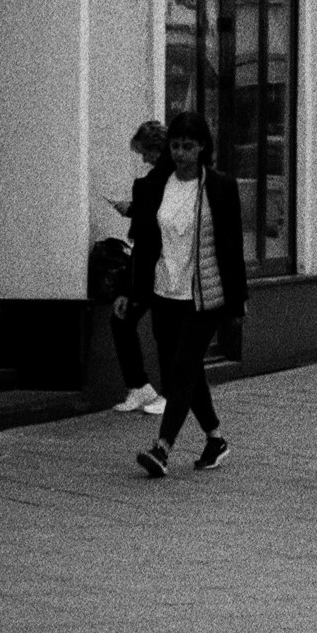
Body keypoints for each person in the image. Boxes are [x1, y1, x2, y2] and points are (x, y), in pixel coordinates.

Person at [132, 111, 246, 479]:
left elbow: (232, 245)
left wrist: (237, 300)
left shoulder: (219, 186)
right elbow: (145, 242)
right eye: (176, 146)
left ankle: (163, 448)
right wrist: (131, 292)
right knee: (182, 370)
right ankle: (215, 438)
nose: (181, 153)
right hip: (165, 289)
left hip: (204, 292)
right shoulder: (155, 185)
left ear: (202, 148)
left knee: (182, 368)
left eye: (189, 146)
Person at [98, 118, 170, 416]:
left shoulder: (150, 184)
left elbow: (146, 237)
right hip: (169, 265)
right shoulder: (177, 179)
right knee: (163, 330)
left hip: (153, 268)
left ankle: (153, 390)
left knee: (131, 322)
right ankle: (147, 389)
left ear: (156, 149)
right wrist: (133, 208)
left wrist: (128, 289)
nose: (143, 159)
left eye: (145, 152)